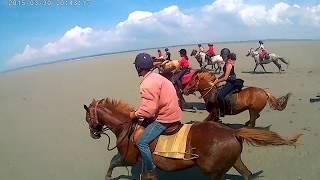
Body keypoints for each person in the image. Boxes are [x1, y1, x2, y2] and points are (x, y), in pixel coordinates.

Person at [130, 53, 182, 180]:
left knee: (141, 142)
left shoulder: (147, 83)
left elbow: (149, 110)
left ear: (138, 68)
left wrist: (135, 114)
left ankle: (151, 171)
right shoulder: (158, 77)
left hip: (166, 118)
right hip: (175, 112)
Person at [211, 48, 237, 117]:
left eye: (222, 56)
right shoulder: (226, 63)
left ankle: (223, 111)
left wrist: (215, 82)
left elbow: (225, 77)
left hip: (231, 82)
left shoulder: (229, 64)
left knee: (220, 95)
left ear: (225, 55)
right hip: (228, 81)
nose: (222, 57)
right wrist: (217, 79)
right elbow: (224, 74)